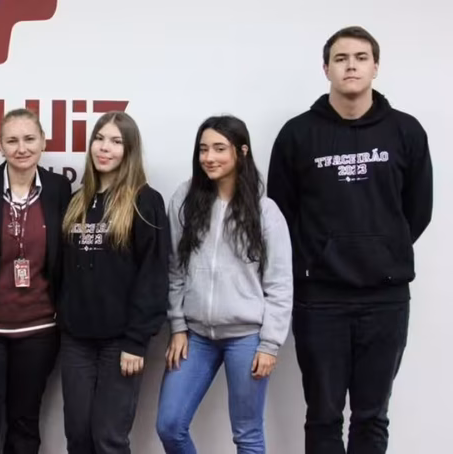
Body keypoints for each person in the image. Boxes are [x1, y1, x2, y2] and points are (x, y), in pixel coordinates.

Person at [267, 26, 433, 454]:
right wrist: (318, 258)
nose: (351, 66)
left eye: (361, 58)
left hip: (385, 299)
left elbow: (418, 211)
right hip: (319, 300)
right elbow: (280, 215)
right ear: (326, 69)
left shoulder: (406, 131)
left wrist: (384, 250)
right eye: (341, 59)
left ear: (376, 67)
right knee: (323, 416)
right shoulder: (297, 134)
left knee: (371, 417)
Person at [155, 115, 293, 454]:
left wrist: (269, 344)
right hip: (196, 336)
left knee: (247, 434)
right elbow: (174, 267)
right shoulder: (185, 200)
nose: (209, 157)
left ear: (241, 152)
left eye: (219, 148)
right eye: (203, 149)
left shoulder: (265, 211)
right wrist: (178, 326)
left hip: (247, 337)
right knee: (170, 425)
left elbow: (279, 283)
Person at [0, 108, 72, 454]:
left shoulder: (58, 189)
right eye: (12, 140)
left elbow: (65, 257)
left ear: (43, 141)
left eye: (29, 139)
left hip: (38, 330)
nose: (21, 148)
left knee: (24, 423)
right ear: (0, 145)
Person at [59, 111, 170, 454]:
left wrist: (136, 341)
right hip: (76, 341)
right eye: (99, 139)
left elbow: (154, 275)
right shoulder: (77, 200)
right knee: (78, 437)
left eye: (116, 142)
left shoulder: (145, 201)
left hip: (120, 343)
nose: (104, 148)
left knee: (109, 439)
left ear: (129, 150)